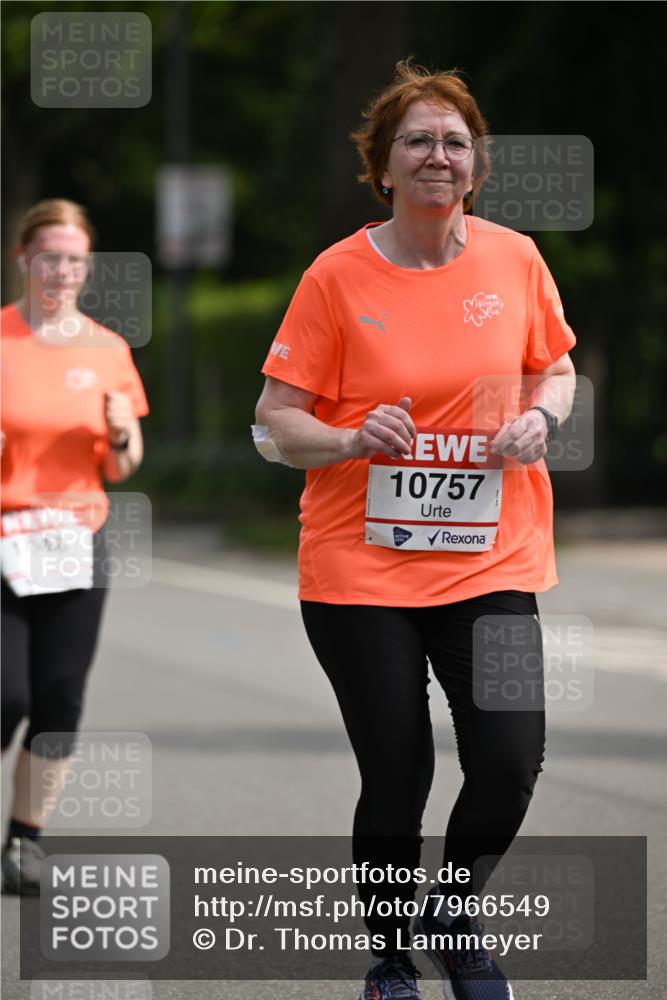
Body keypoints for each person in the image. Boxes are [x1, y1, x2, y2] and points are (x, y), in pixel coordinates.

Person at [254, 61, 576, 1000]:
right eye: (417, 141)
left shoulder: (514, 259)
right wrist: (352, 434)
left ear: (473, 167)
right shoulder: (335, 275)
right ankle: (393, 954)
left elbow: (553, 370)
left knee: (511, 761)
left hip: (492, 556)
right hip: (360, 568)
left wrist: (543, 418)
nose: (437, 155)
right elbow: (277, 417)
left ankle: (453, 910)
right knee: (398, 770)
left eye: (453, 142)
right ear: (382, 166)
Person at [0, 199, 149, 893]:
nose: (61, 269)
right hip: (2, 538)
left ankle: (24, 841)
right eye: (50, 256)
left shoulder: (107, 350)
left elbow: (120, 465)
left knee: (60, 697)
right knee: (7, 695)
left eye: (75, 260)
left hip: (73, 540)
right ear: (23, 258)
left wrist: (121, 432)